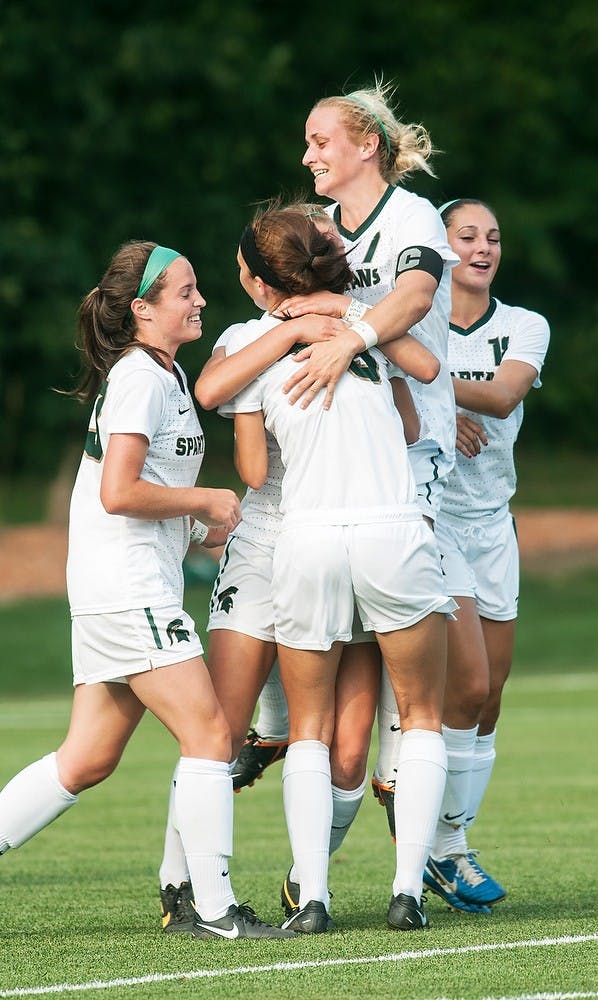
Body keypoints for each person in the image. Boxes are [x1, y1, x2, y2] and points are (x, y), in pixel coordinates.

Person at [0, 241, 294, 942]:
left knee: (87, 759)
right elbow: (119, 490)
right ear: (142, 309)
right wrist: (207, 499)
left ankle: (199, 901)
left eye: (196, 289)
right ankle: (213, 909)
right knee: (210, 735)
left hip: (119, 585)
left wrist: (199, 530)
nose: (199, 301)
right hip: (128, 590)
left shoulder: (161, 375)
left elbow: (138, 495)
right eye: (184, 291)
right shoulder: (141, 377)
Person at [232, 80, 460, 819]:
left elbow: (418, 300)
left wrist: (347, 330)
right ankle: (315, 870)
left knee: (449, 685)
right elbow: (279, 295)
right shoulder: (320, 227)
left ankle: (421, 815)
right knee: (340, 722)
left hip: (410, 456)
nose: (308, 156)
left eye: (320, 140)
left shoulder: (414, 216)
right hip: (330, 462)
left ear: (368, 145)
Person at [227, 202, 457, 934]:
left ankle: (316, 901)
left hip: (309, 538)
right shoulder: (369, 324)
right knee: (421, 717)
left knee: (313, 728)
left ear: (260, 281)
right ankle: (407, 894)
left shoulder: (251, 341)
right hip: (393, 531)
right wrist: (353, 314)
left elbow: (254, 467)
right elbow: (425, 377)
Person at [417, 198, 550, 913]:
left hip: (493, 525)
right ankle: (438, 848)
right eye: (466, 235)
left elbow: (502, 396)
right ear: (439, 245)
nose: (483, 246)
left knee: (489, 700)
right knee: (463, 687)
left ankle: (448, 845)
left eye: (493, 237)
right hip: (429, 523)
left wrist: (444, 397)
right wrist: (442, 410)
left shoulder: (525, 325)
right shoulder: (412, 316)